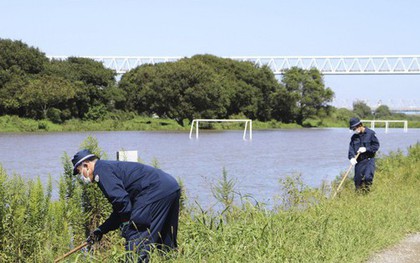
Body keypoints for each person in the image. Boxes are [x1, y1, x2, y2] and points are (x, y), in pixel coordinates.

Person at [71, 149, 180, 262]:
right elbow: (121, 207)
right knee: (166, 242)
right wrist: (101, 230)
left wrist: (126, 223)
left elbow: (122, 203)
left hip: (155, 190)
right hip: (170, 186)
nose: (81, 176)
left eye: (79, 172)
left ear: (86, 166)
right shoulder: (107, 167)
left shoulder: (101, 171)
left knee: (136, 233)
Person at [348, 117, 380, 192]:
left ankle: (366, 193)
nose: (354, 130)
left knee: (368, 178)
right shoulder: (354, 137)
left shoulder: (370, 133)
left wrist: (366, 149)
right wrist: (351, 158)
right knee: (357, 181)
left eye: (354, 128)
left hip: (369, 160)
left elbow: (376, 146)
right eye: (352, 129)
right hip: (359, 161)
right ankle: (359, 196)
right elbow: (351, 149)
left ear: (359, 125)